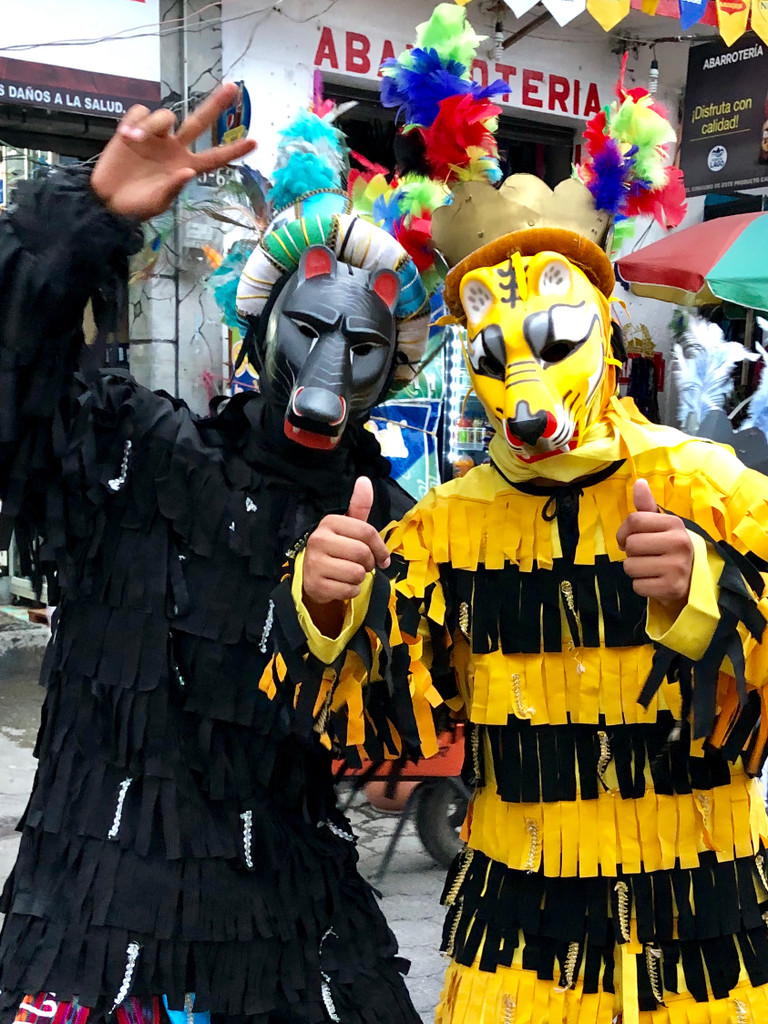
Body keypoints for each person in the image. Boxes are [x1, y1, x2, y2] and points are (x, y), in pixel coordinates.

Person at [267, 31, 768, 1024]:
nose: (525, 389)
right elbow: (382, 740)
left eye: (553, 338)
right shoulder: (444, 529)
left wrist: (707, 600)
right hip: (521, 956)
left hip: (702, 946)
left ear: (604, 326)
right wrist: (326, 611)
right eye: (495, 351)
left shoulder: (714, 487)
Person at [0, 84, 434, 1024]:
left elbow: (397, 735)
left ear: (388, 371)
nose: (327, 372)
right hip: (94, 922)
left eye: (362, 345)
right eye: (310, 329)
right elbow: (14, 388)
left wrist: (331, 617)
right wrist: (83, 222)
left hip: (293, 934)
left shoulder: (393, 531)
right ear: (261, 325)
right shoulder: (137, 455)